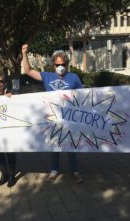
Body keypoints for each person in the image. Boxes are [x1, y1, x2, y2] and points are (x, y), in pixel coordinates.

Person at [22, 44, 84, 183]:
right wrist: (24, 54)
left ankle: (74, 170)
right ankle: (54, 170)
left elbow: (82, 95)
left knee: (71, 146)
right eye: (57, 65)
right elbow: (27, 70)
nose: (59, 67)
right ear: (53, 65)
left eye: (62, 64)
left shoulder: (74, 77)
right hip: (52, 118)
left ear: (67, 64)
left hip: (69, 117)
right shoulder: (47, 76)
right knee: (54, 145)